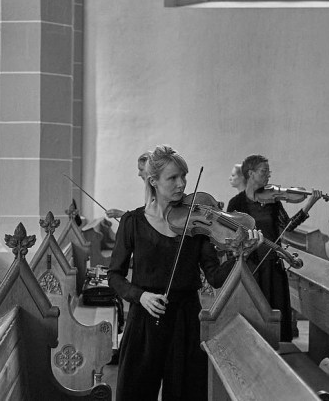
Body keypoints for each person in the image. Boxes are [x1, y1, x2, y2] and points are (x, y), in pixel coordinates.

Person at [108, 145, 263, 400]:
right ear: (153, 181)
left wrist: (243, 255)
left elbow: (215, 277)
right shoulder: (132, 222)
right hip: (144, 320)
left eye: (184, 176)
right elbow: (115, 275)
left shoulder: (195, 223)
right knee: (135, 393)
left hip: (185, 321)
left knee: (187, 394)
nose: (181, 184)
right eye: (173, 178)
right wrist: (141, 296)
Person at [226, 154, 321, 342]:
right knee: (254, 314)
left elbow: (288, 226)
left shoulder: (273, 201)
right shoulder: (236, 203)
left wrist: (309, 204)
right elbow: (230, 238)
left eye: (269, 171)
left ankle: (279, 352)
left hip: (273, 264)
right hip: (251, 267)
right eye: (264, 171)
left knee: (277, 311)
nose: (268, 175)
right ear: (251, 173)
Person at [106, 151, 152, 219]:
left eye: (141, 169)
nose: (139, 174)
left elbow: (149, 218)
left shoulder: (158, 191)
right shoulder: (151, 189)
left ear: (150, 170)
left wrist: (123, 214)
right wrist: (122, 214)